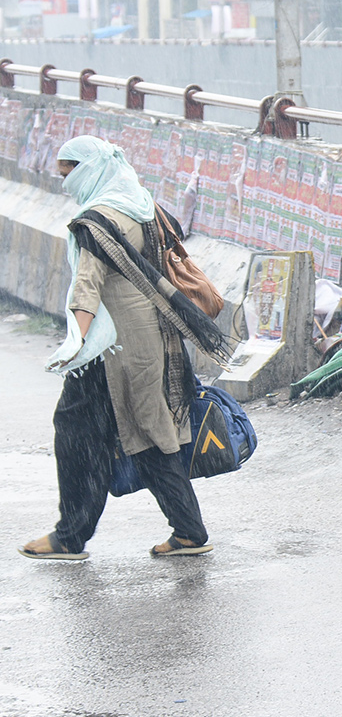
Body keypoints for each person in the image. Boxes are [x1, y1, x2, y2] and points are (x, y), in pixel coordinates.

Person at [19, 136, 231, 560]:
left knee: (78, 432)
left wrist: (74, 343)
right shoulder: (144, 204)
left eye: (71, 174)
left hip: (110, 351)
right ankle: (189, 531)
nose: (66, 184)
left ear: (92, 169)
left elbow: (87, 287)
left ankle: (70, 537)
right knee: (152, 433)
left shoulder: (97, 221)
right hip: (158, 341)